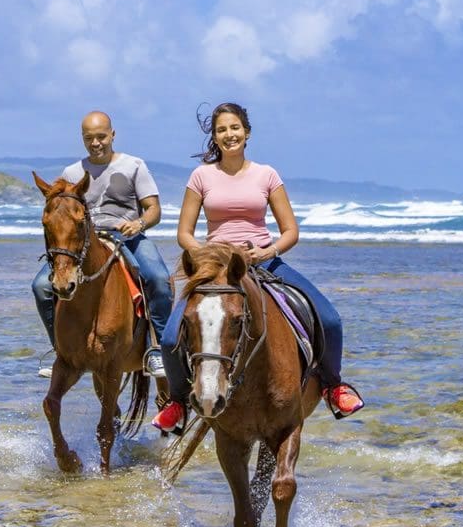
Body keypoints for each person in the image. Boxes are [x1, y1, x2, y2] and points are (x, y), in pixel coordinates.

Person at [151, 102, 364, 431]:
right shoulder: (201, 176)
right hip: (217, 268)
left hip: (265, 262)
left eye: (235, 128)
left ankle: (333, 387)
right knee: (169, 338)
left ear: (247, 133)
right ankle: (179, 403)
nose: (229, 134)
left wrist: (266, 252)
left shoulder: (266, 175)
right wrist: (210, 253)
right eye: (222, 129)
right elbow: (184, 234)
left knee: (330, 319)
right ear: (214, 137)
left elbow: (290, 231)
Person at [32, 111, 173, 378]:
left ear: (112, 135)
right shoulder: (72, 173)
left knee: (158, 278)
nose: (95, 143)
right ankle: (60, 351)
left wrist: (139, 224)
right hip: (85, 243)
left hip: (127, 237)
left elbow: (154, 209)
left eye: (101, 137)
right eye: (89, 138)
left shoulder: (134, 165)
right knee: (40, 286)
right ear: (82, 139)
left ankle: (158, 349)